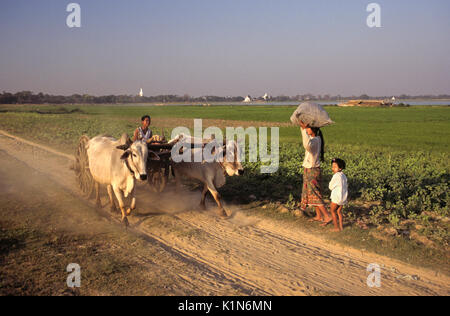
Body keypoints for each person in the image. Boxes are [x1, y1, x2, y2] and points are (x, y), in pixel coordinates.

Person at [299, 121, 332, 224]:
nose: (307, 129)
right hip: (312, 170)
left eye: (308, 128)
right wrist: (303, 128)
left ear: (313, 129)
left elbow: (306, 145)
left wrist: (303, 129)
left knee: (315, 194)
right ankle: (319, 216)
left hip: (312, 170)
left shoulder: (314, 141)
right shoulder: (316, 139)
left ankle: (326, 216)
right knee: (314, 194)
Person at [327, 158, 348, 232]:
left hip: (336, 198)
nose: (333, 168)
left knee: (332, 211)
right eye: (332, 166)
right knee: (339, 212)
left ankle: (336, 228)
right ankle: (341, 227)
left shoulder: (336, 176)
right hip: (343, 198)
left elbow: (330, 186)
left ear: (340, 168)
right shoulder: (344, 176)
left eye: (335, 167)